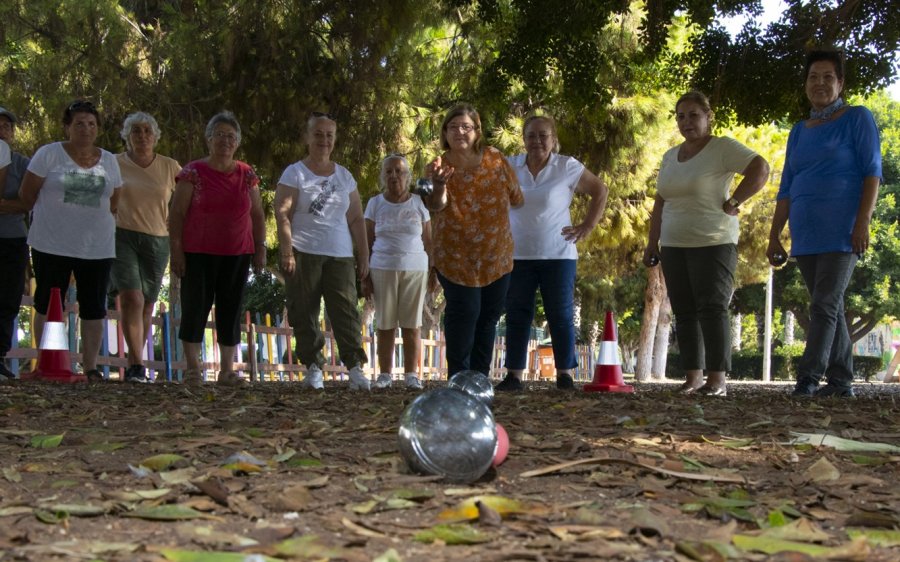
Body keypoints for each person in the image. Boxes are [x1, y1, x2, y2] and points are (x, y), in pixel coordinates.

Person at [767, 50, 882, 398]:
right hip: (807, 232)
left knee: (825, 303)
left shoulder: (857, 118)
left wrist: (862, 222)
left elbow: (872, 173)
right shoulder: (799, 131)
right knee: (828, 304)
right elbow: (786, 186)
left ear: (841, 82)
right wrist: (774, 235)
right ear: (805, 85)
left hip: (843, 229)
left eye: (828, 76)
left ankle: (808, 378)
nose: (820, 83)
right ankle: (842, 380)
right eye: (813, 77)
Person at [643, 91, 769, 397]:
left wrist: (735, 200)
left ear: (708, 116)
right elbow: (661, 200)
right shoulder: (670, 156)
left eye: (694, 115)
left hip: (714, 242)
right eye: (681, 116)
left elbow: (760, 168)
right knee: (684, 311)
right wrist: (652, 242)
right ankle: (693, 378)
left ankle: (717, 381)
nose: (687, 122)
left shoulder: (722, 148)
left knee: (712, 308)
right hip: (674, 243)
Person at [497, 115, 609, 392]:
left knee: (560, 314)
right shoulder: (510, 166)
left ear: (553, 139)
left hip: (558, 254)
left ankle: (565, 374)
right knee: (517, 314)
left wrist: (587, 226)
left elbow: (600, 190)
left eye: (543, 135)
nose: (537, 141)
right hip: (517, 254)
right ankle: (514, 375)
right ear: (523, 139)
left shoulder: (566, 166)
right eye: (531, 135)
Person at [19, 100, 123, 381]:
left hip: (97, 247)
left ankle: (90, 367)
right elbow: (27, 196)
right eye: (79, 123)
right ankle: (48, 364)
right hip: (51, 244)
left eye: (91, 124)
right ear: (67, 127)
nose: (86, 129)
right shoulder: (48, 154)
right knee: (48, 303)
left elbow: (114, 200)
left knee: (94, 307)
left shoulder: (110, 160)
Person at [423, 103, 524, 380]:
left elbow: (517, 197)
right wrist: (441, 185)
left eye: (466, 126)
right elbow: (434, 205)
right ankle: (458, 378)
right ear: (445, 132)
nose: (459, 132)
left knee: (488, 317)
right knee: (465, 313)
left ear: (477, 131)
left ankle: (479, 379)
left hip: (496, 255)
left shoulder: (495, 158)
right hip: (456, 257)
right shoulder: (436, 166)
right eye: (453, 127)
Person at [274, 112, 371, 391]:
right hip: (303, 251)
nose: (324, 140)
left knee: (346, 311)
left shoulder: (345, 176)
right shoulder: (295, 173)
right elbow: (282, 213)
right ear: (307, 137)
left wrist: (363, 256)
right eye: (318, 134)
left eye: (329, 135)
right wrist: (286, 252)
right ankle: (314, 367)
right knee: (303, 310)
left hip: (340, 254)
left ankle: (354, 367)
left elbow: (355, 218)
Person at [169, 111, 266, 386]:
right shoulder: (192, 172)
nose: (225, 140)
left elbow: (257, 214)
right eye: (219, 135)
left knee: (231, 309)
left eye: (231, 136)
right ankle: (192, 370)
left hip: (237, 253)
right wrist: (176, 251)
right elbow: (176, 214)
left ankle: (227, 370)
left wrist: (260, 247)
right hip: (198, 253)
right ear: (209, 139)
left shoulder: (247, 174)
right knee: (194, 307)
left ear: (237, 143)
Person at [112, 112, 181, 383]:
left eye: (147, 131)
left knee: (147, 306)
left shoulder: (169, 166)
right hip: (122, 235)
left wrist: (177, 223)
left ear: (155, 136)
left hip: (158, 239)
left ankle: (134, 363)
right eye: (136, 131)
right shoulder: (113, 162)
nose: (142, 136)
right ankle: (137, 365)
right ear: (126, 136)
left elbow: (189, 195)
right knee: (132, 297)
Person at [364, 154, 432, 390]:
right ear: (383, 176)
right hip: (382, 267)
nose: (394, 176)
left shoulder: (419, 202)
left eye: (399, 171)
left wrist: (433, 273)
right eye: (389, 172)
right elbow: (366, 240)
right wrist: (364, 276)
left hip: (415, 269)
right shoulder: (374, 204)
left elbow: (429, 241)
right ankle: (384, 374)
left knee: (412, 324)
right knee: (385, 323)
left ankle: (412, 375)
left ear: (408, 176)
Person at [0, 106, 30, 382]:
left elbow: (28, 201)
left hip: (13, 239)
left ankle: (0, 356)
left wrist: (7, 205)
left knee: (9, 299)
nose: (2, 130)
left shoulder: (22, 164)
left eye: (7, 126)